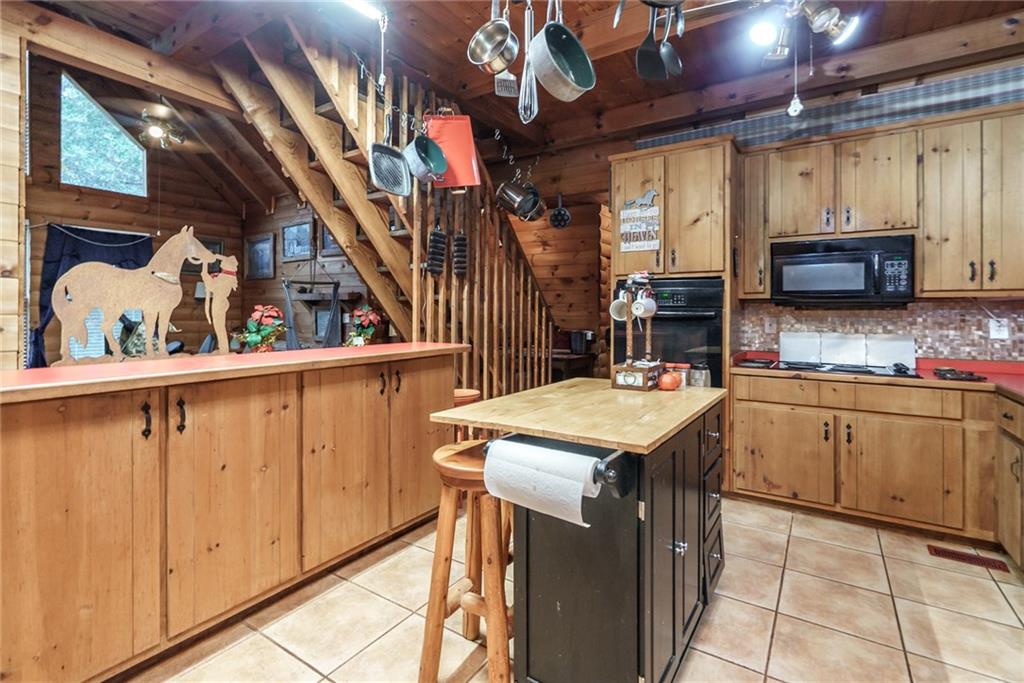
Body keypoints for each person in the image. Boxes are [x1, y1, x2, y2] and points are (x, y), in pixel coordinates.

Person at [201, 255, 238, 354]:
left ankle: (224, 350)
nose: (221, 264)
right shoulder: (228, 276)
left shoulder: (224, 278)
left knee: (219, 328)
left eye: (223, 262)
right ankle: (223, 349)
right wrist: (215, 256)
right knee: (220, 327)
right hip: (221, 302)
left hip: (219, 302)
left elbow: (213, 287)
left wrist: (205, 273)